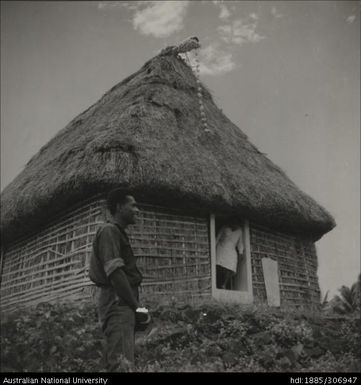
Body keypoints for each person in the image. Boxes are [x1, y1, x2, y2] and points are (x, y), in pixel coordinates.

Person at [89, 189, 143, 372]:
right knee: (121, 363)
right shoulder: (109, 231)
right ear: (119, 207)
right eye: (133, 205)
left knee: (120, 357)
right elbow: (116, 274)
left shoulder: (116, 233)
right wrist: (137, 307)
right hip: (117, 303)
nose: (138, 210)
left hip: (120, 303)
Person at [216, 218, 244, 290]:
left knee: (231, 266)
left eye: (236, 223)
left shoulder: (239, 231)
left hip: (232, 249)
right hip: (222, 247)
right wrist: (213, 246)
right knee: (220, 266)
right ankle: (218, 283)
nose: (234, 224)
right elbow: (218, 237)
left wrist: (240, 253)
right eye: (233, 222)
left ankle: (224, 284)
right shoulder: (225, 227)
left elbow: (240, 243)